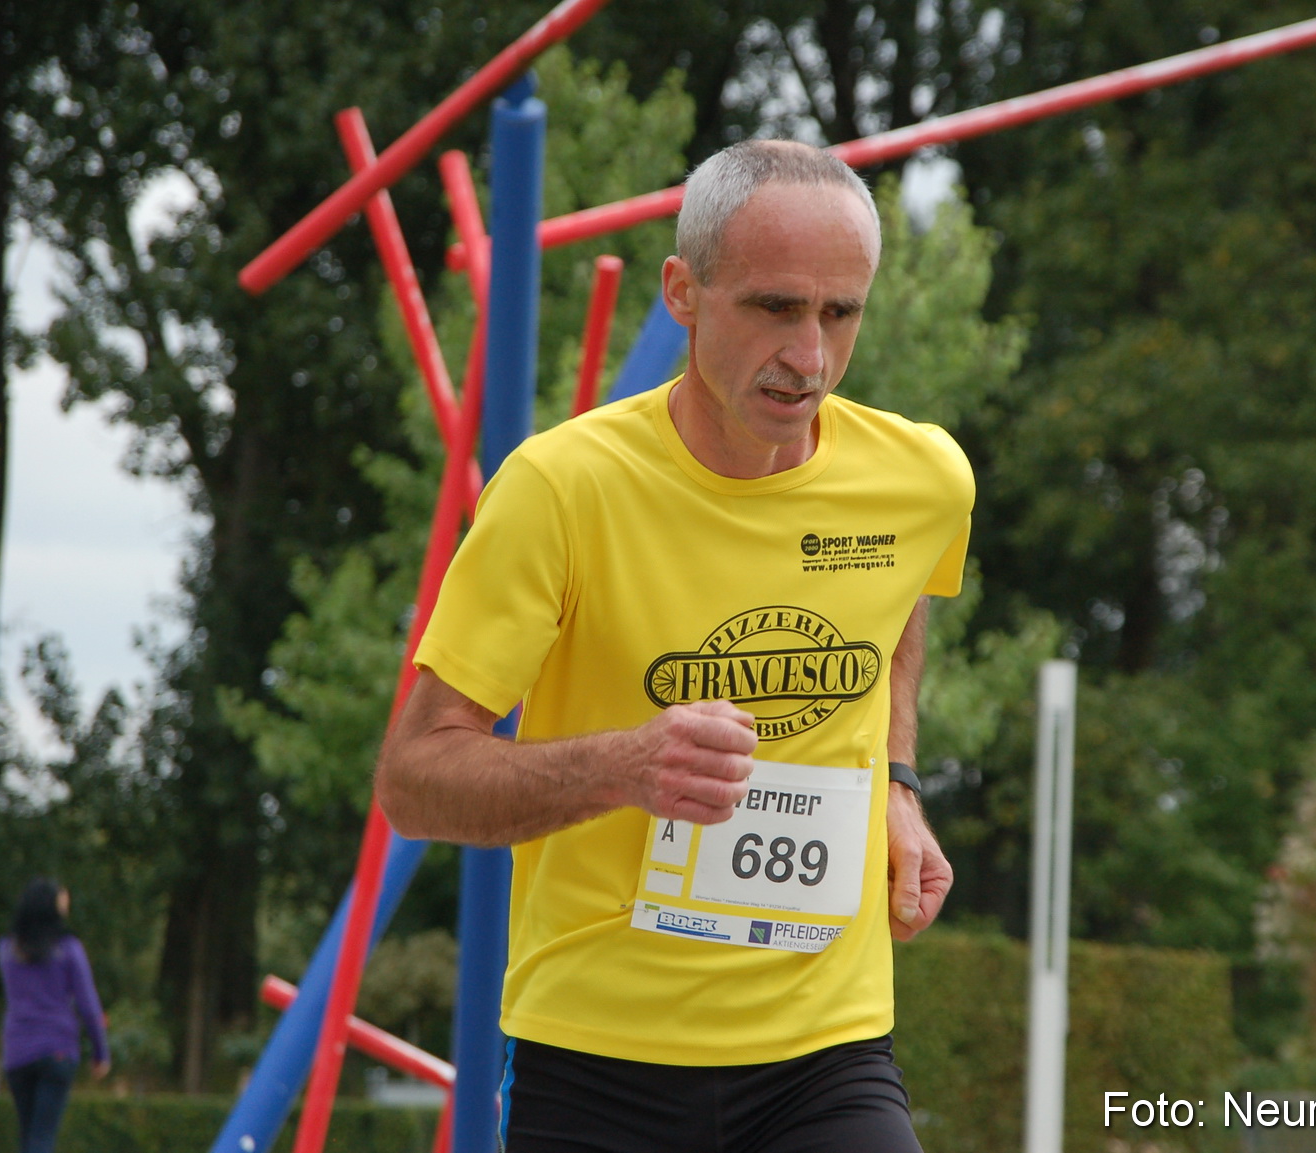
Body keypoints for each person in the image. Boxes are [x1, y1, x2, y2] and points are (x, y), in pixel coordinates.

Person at [377, 138, 974, 1151]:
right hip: (598, 1061)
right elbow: (414, 779)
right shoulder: (560, 489)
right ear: (684, 293)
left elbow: (902, 598)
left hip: (825, 1053)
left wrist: (899, 784)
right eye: (776, 308)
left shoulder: (923, 481)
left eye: (841, 313)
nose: (811, 358)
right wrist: (626, 764)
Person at [0, 878, 110, 1153]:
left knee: (28, 1135)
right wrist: (101, 1053)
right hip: (57, 1048)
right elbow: (88, 1004)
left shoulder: (6, 950)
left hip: (17, 1051)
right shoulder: (69, 949)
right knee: (43, 1135)